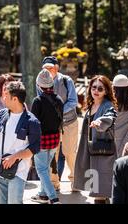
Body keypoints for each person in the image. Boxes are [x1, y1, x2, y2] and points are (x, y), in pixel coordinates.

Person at [0, 81, 41, 204]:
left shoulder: (32, 122)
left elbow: (34, 148)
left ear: (15, 99)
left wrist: (15, 157)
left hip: (18, 173)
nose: (3, 97)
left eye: (6, 95)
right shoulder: (1, 114)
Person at [73, 75, 118, 204]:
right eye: (94, 87)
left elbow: (110, 116)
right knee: (97, 188)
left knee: (101, 190)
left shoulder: (108, 105)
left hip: (103, 151)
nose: (96, 91)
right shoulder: (91, 105)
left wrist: (100, 121)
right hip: (91, 150)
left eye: (100, 88)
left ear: (106, 91)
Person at [38, 56, 79, 191]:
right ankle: (54, 184)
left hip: (69, 122)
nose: (47, 71)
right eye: (45, 68)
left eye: (50, 68)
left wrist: (58, 111)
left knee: (70, 152)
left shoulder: (67, 81)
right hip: (51, 125)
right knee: (52, 154)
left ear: (56, 68)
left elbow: (73, 101)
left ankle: (75, 182)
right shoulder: (40, 80)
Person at [30, 69, 64, 204]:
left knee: (41, 170)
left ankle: (53, 198)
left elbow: (33, 123)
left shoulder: (37, 101)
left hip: (41, 141)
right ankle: (43, 195)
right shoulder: (59, 100)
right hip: (55, 139)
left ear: (39, 85)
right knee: (46, 168)